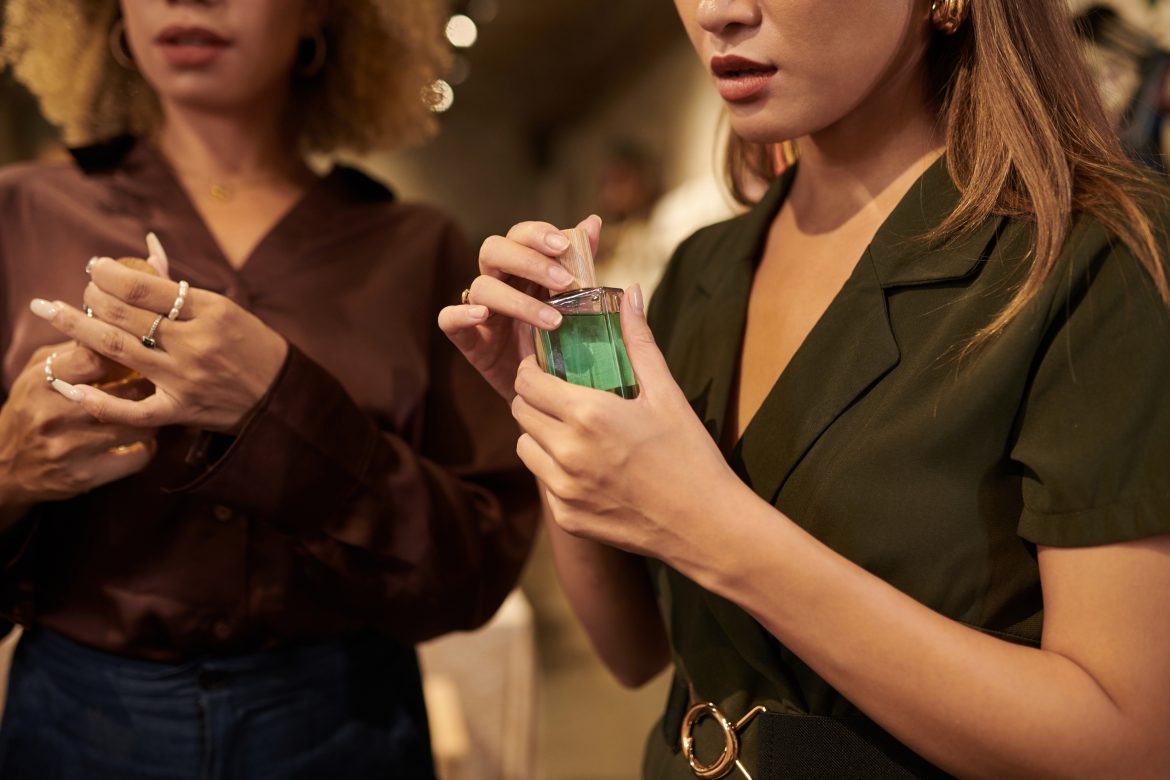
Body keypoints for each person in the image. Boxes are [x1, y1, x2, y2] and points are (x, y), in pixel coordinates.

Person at [440, 0, 1170, 777]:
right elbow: (634, 650)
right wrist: (555, 413)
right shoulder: (705, 267)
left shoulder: (1094, 256)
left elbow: (1123, 746)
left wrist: (710, 523)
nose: (717, 12)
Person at [0, 1, 537, 778]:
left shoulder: (416, 251)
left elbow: (473, 577)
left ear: (322, 13)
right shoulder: (20, 216)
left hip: (344, 726)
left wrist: (285, 411)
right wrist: (10, 473)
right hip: (74, 729)